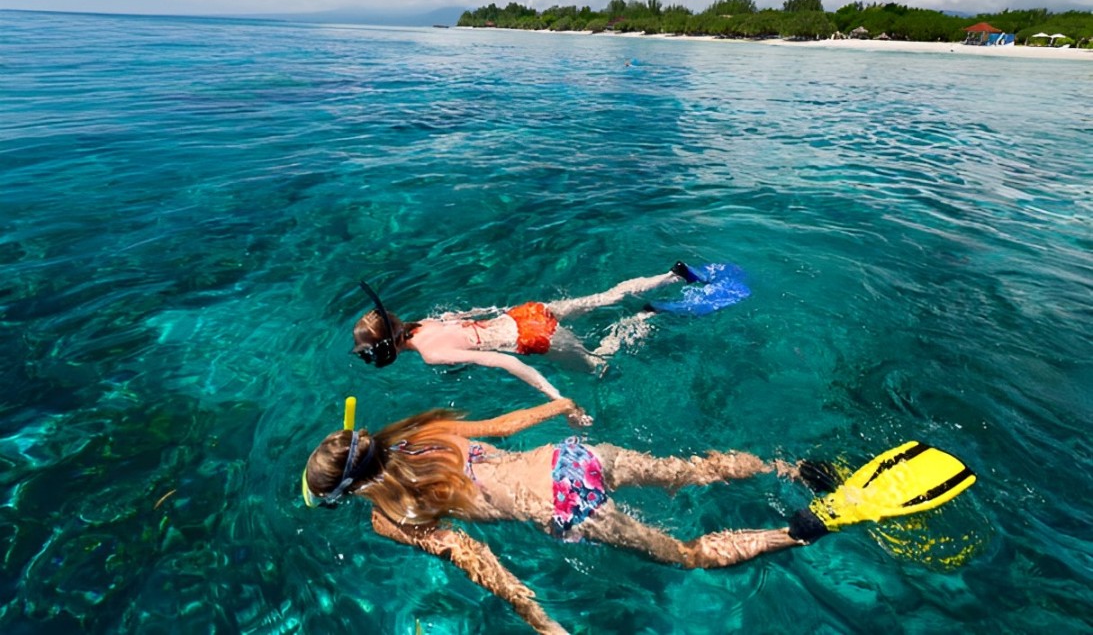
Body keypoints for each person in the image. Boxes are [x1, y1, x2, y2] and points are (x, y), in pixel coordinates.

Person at [302, 397, 824, 635]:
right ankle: (790, 468)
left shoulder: (387, 518)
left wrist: (540, 619)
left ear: (348, 492)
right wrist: (559, 405)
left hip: (566, 506)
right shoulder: (423, 437)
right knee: (686, 471)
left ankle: (795, 532)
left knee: (689, 557)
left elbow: (471, 555)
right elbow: (505, 427)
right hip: (570, 457)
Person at [351, 262, 706, 404]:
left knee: (599, 365)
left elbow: (503, 363)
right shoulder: (422, 323)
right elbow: (468, 316)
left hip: (532, 339)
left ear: (387, 348)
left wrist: (554, 396)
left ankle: (643, 318)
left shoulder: (431, 354)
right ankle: (672, 275)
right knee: (605, 297)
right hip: (524, 312)